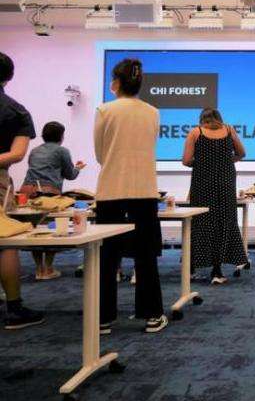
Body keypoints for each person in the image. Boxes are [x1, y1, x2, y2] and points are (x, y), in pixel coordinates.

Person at [95, 58, 167, 334]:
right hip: (144, 190)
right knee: (145, 256)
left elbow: (100, 153)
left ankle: (103, 319)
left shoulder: (104, 110)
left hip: (111, 190)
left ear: (116, 82)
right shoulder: (153, 112)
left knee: (107, 257)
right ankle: (152, 315)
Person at [0, 52, 45, 330]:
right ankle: (14, 309)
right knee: (5, 242)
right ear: (9, 76)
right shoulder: (16, 111)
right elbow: (17, 154)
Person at [182, 108, 247, 284]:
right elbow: (242, 153)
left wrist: (204, 163)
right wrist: (224, 161)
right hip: (225, 183)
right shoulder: (229, 130)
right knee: (224, 221)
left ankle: (191, 269)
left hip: (203, 184)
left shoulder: (196, 132)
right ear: (219, 118)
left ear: (202, 119)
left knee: (200, 222)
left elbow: (186, 160)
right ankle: (217, 272)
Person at [20, 121, 86, 280]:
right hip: (50, 194)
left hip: (28, 192)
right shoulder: (62, 151)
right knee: (51, 232)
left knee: (35, 230)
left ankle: (39, 269)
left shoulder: (34, 151)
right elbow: (70, 175)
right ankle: (48, 268)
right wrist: (78, 168)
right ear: (61, 136)